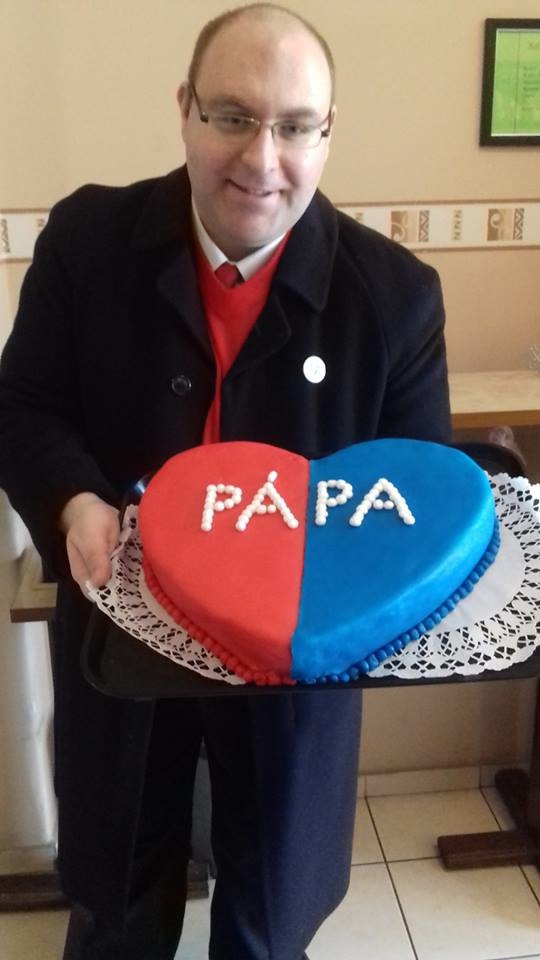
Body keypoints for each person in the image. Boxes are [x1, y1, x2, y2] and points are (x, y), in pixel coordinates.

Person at [0, 4, 451, 958]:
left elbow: (412, 497)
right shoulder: (87, 242)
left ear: (328, 132)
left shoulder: (396, 297)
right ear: (185, 110)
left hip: (293, 665)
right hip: (126, 633)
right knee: (118, 896)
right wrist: (75, 501)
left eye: (296, 126)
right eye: (233, 117)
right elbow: (24, 407)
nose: (262, 158)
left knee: (267, 910)